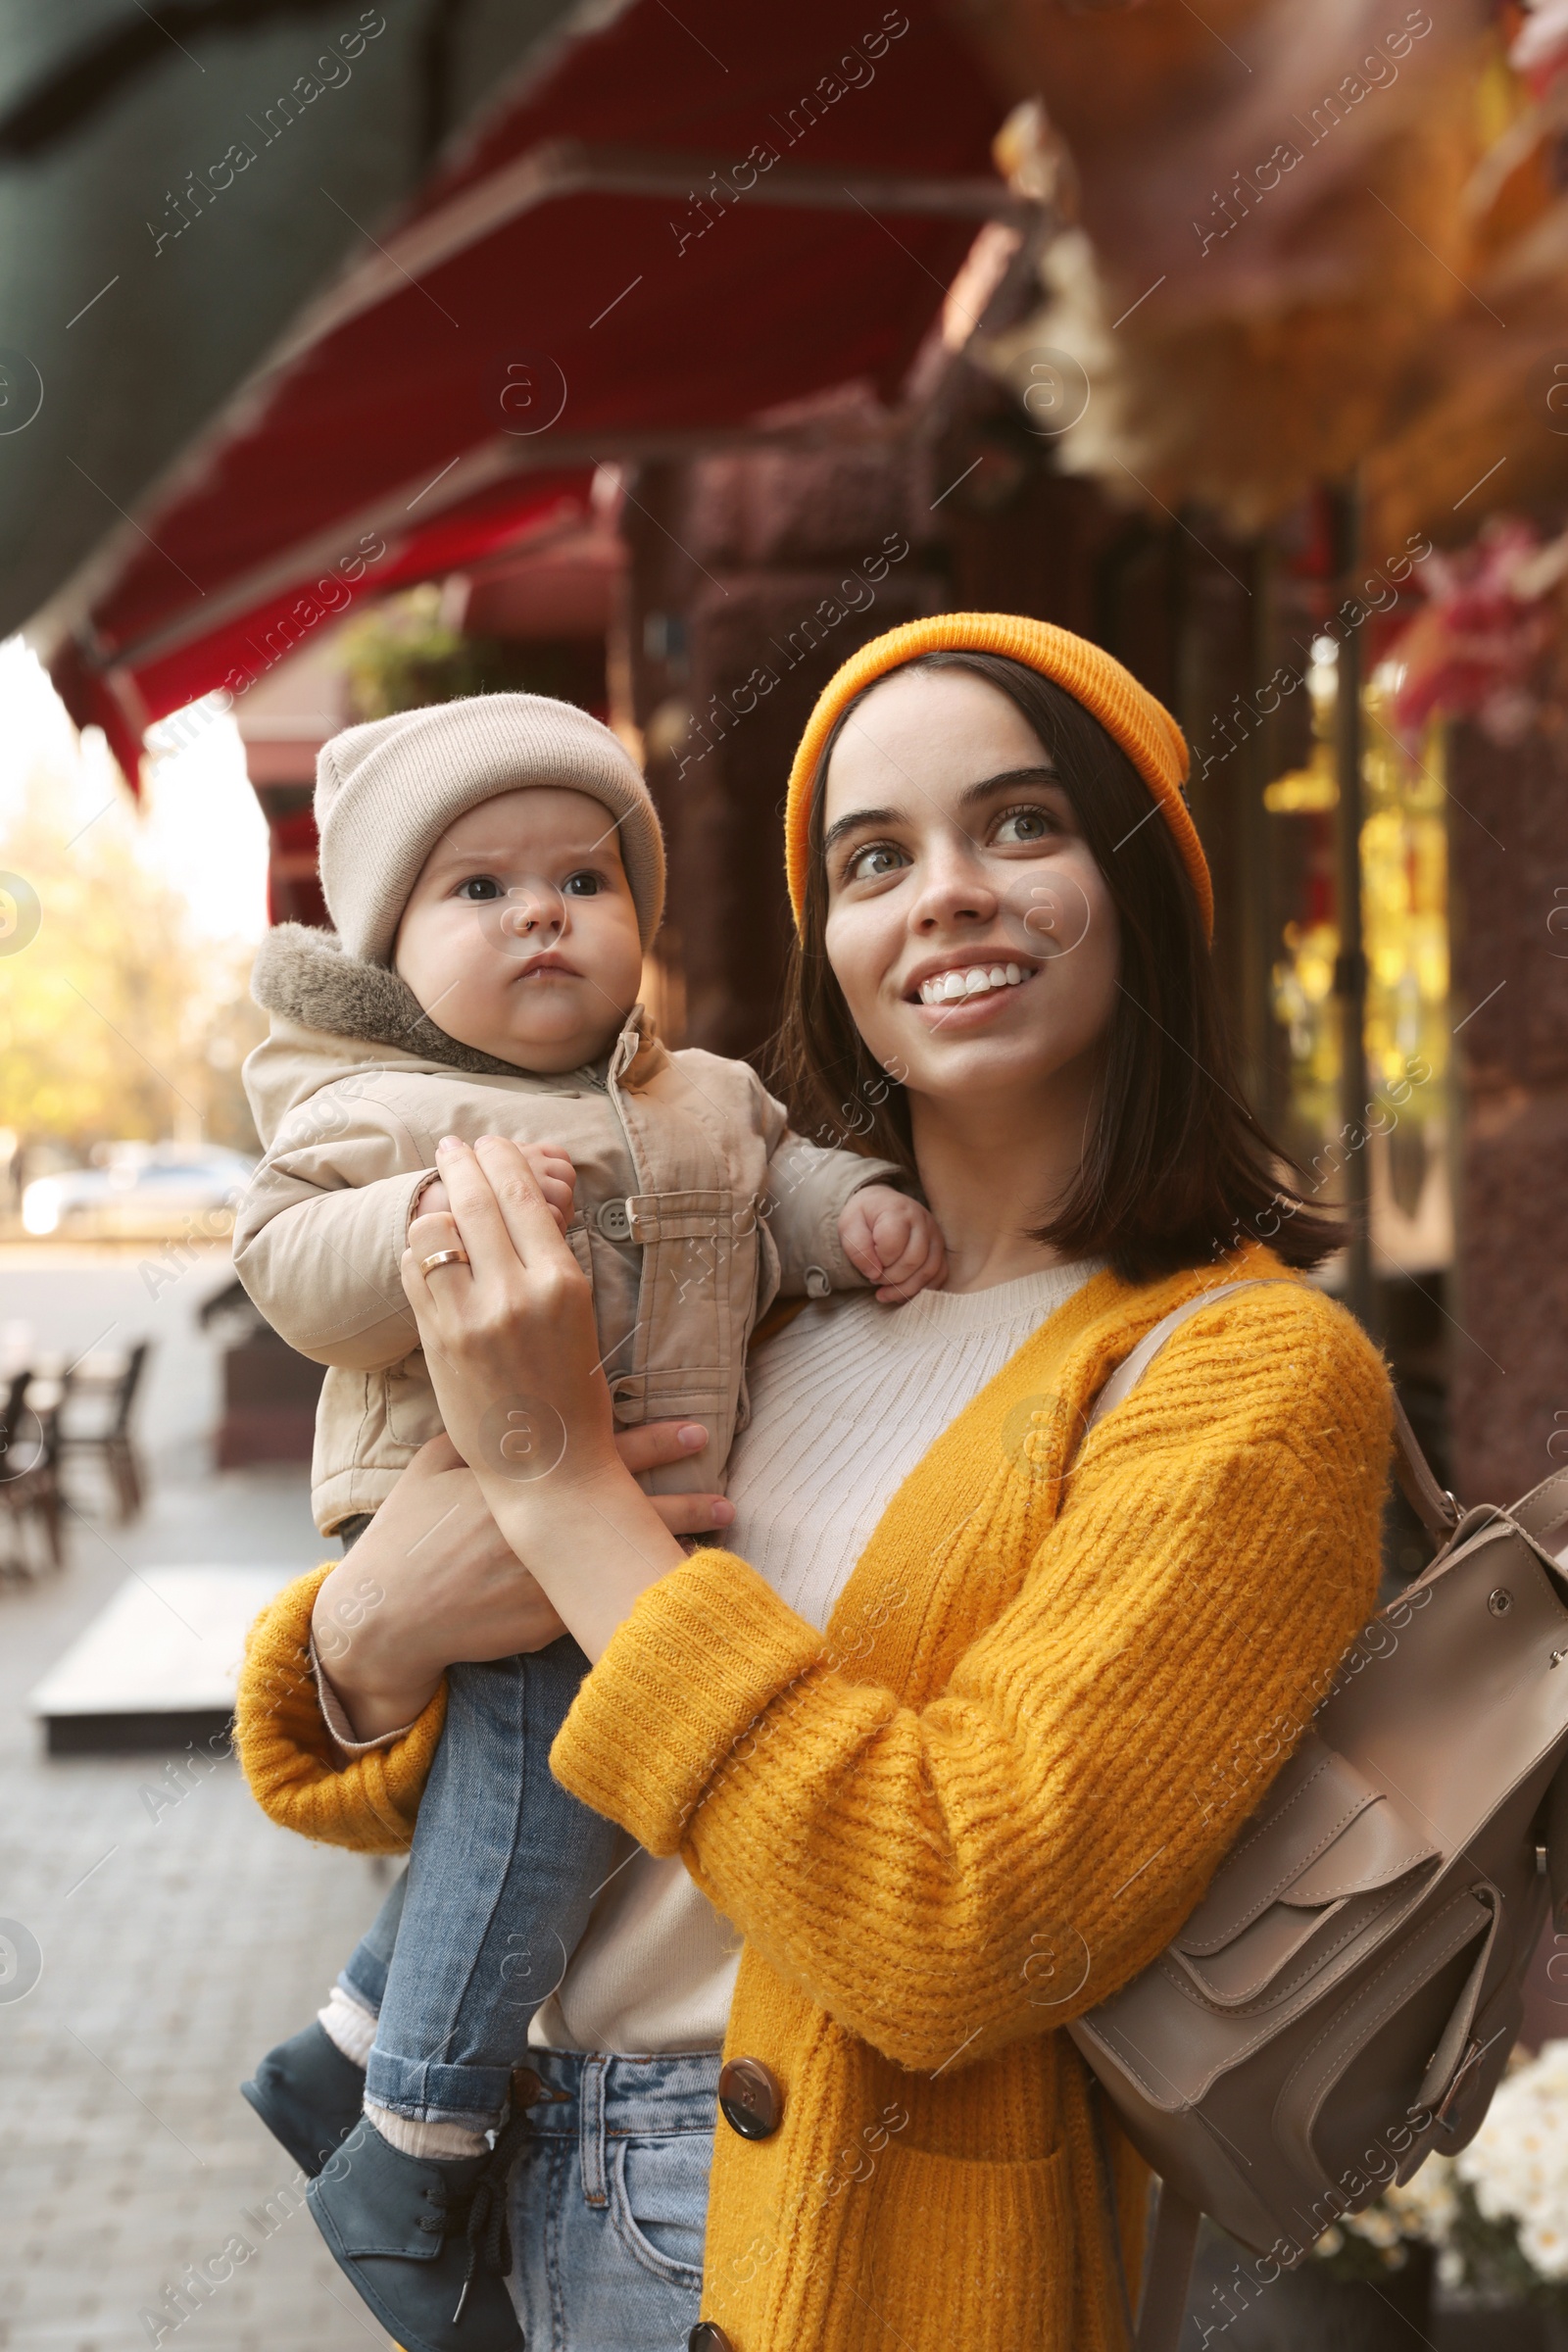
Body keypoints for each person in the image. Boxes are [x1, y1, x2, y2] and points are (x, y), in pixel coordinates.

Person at [234, 613, 1392, 2352]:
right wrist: (365, 1638)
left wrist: (562, 1492)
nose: (944, 894)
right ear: (829, 942)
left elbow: (960, 1924)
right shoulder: (759, 1306)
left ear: (1143, 883)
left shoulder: (1244, 1376)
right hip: (530, 2188)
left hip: (852, 2252)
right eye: (874, 857)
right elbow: (479, 1771)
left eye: (1021, 824)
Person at [228, 692, 945, 2352]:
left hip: (627, 1537)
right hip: (465, 1514)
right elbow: (287, 1265)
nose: (541, 911)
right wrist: (421, 1219)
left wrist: (867, 1218)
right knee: (558, 1793)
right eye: (478, 890)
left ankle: (340, 2046)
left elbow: (779, 1186)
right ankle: (411, 2146)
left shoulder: (704, 1094)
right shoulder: (377, 1113)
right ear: (395, 947)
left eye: (583, 878)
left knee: (552, 1814)